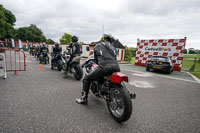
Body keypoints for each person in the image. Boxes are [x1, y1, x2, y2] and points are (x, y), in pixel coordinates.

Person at [76, 34, 120, 104]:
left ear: (103, 39)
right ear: (111, 41)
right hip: (117, 68)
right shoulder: (113, 48)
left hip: (104, 67)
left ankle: (83, 99)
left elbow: (96, 61)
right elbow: (115, 58)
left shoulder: (97, 46)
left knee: (87, 78)